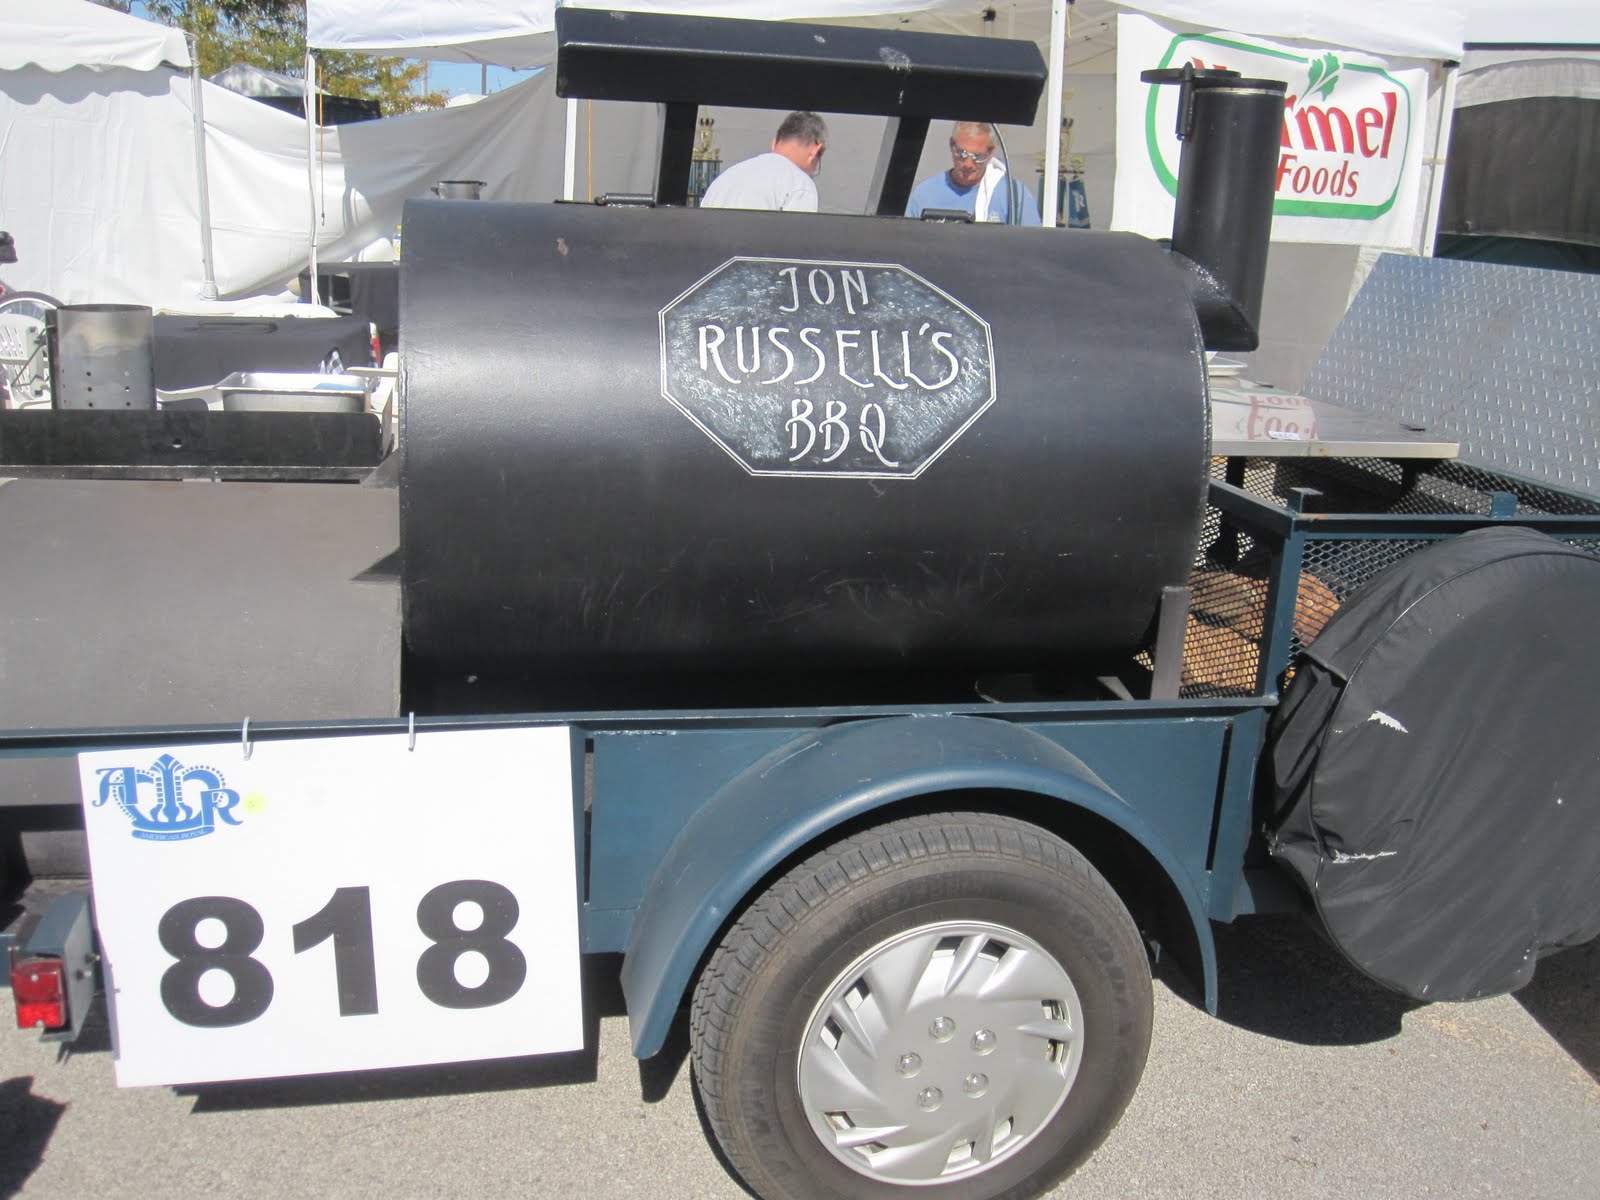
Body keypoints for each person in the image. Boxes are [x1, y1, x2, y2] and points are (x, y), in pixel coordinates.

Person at [906, 121, 1041, 226]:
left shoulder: (1014, 195)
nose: (968, 164)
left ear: (991, 152)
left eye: (978, 157)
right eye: (961, 154)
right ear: (951, 144)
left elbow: (1032, 248)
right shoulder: (925, 194)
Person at [700, 112, 827, 213]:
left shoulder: (724, 179)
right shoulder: (800, 184)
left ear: (774, 143)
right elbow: (797, 241)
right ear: (815, 152)